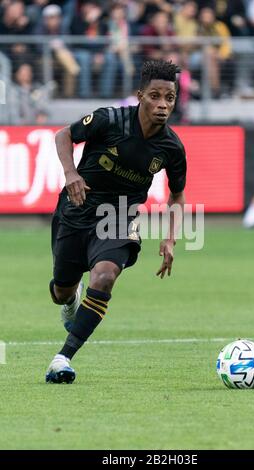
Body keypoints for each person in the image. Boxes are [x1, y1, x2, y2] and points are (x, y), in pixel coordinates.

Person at [46, 60, 187, 384]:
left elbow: (176, 195)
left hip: (119, 217)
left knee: (106, 275)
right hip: (77, 210)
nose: (163, 104)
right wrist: (71, 173)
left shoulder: (172, 147)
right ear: (140, 96)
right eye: (155, 96)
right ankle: (70, 299)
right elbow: (63, 135)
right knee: (60, 290)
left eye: (170, 97)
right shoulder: (108, 120)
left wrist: (170, 238)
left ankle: (62, 358)